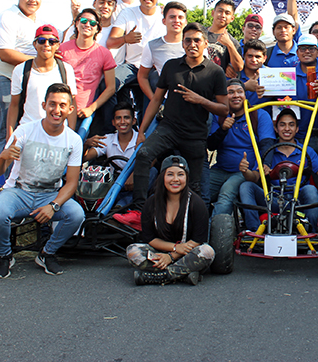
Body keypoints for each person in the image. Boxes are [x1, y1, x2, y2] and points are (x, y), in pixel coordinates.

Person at [0, 83, 85, 278]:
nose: (56, 110)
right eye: (52, 104)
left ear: (70, 109)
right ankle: (5, 256)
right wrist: (3, 156)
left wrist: (53, 205)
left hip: (49, 194)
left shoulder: (74, 140)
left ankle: (47, 253)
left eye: (62, 105)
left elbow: (72, 183)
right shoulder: (24, 131)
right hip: (19, 192)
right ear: (43, 105)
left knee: (76, 215)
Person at [132, 23, 229, 211]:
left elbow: (224, 110)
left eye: (197, 40)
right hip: (169, 128)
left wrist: (200, 100)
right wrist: (142, 132)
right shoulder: (171, 66)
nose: (192, 44)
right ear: (183, 44)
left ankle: (193, 229)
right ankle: (138, 211)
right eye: (188, 40)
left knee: (195, 188)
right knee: (143, 155)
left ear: (205, 44)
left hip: (195, 135)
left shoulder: (215, 71)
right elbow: (156, 100)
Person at [238, 109, 318, 231]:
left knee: (311, 189)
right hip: (274, 199)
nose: (287, 128)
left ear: (297, 129)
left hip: (299, 199)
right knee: (246, 186)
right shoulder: (268, 152)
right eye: (282, 125)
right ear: (276, 129)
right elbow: (254, 177)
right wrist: (245, 171)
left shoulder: (306, 151)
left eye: (291, 125)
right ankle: (254, 231)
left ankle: (309, 231)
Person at [125, 155, 215, 285]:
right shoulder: (151, 203)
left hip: (186, 254)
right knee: (133, 251)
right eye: (170, 174)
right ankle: (182, 275)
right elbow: (149, 238)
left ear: (186, 178)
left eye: (180, 175)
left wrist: (172, 257)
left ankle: (160, 275)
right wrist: (174, 248)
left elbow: (198, 240)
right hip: (160, 253)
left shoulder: (197, 203)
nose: (175, 179)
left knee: (207, 252)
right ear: (162, 177)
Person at [0, 0, 45, 154]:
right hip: (2, 80)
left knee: (25, 129)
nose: (32, 0)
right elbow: (6, 54)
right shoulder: (7, 17)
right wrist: (39, 61)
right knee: (8, 132)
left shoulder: (38, 22)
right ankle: (7, 179)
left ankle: (20, 177)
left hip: (23, 82)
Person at [206, 79, 275, 215]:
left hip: (244, 172)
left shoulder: (258, 115)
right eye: (230, 92)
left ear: (245, 95)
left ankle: (216, 235)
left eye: (239, 92)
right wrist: (223, 129)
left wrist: (265, 164)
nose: (236, 96)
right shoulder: (218, 115)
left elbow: (267, 144)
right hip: (220, 169)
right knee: (200, 191)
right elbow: (211, 145)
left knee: (226, 194)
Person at [6, 25, 78, 139]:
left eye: (52, 41)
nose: (46, 45)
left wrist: (71, 133)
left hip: (57, 133)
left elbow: (72, 103)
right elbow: (14, 105)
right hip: (28, 133)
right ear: (35, 44)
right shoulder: (21, 70)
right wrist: (10, 137)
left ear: (58, 45)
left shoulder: (66, 69)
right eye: (41, 41)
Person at [107, 0, 166, 106]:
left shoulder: (164, 16)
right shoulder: (127, 13)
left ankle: (156, 119)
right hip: (132, 66)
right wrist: (125, 39)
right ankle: (112, 123)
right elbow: (110, 42)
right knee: (108, 83)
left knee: (151, 95)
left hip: (154, 68)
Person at [58, 8, 117, 132]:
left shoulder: (104, 53)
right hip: (59, 110)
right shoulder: (61, 49)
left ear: (97, 29)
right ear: (77, 23)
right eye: (84, 21)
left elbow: (111, 87)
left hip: (82, 112)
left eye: (93, 23)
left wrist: (91, 108)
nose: (87, 25)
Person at [83, 101, 139, 207]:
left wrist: (134, 174)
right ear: (113, 122)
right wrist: (86, 144)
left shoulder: (141, 138)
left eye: (126, 118)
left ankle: (120, 206)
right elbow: (84, 158)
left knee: (153, 172)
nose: (122, 122)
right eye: (118, 118)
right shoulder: (107, 139)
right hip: (114, 185)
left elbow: (152, 160)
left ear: (133, 121)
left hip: (135, 184)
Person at [138, 1, 187, 101]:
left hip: (194, 100)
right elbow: (142, 76)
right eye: (172, 17)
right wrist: (154, 100)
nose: (176, 20)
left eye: (180, 17)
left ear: (185, 21)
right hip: (166, 101)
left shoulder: (196, 44)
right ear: (164, 21)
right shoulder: (152, 46)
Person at [206, 0, 243, 75]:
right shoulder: (200, 34)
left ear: (232, 18)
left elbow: (239, 67)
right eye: (220, 11)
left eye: (227, 13)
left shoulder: (233, 42)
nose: (223, 15)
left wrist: (229, 45)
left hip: (217, 83)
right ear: (213, 13)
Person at [238, 39, 267, 108]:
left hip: (263, 117)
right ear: (243, 56)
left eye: (258, 57)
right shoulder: (233, 73)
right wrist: (244, 87)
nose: (254, 60)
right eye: (250, 56)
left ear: (264, 58)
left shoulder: (273, 75)